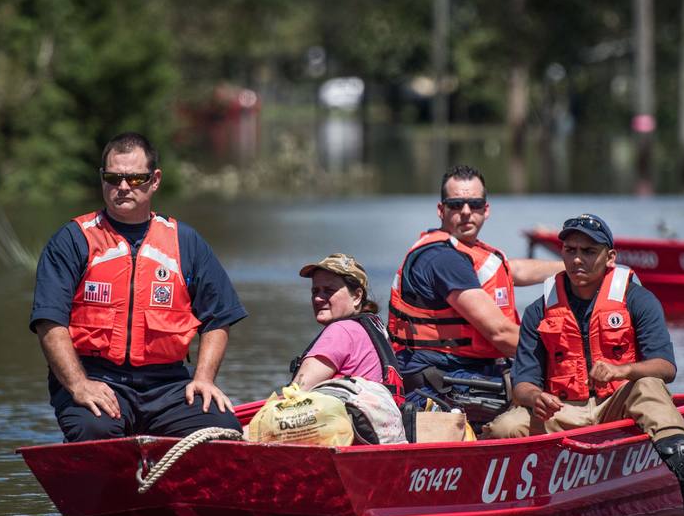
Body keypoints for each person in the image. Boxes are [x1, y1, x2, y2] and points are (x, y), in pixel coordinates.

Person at [485, 214, 684, 516]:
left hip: (616, 404)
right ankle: (509, 505)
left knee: (648, 385)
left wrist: (622, 371)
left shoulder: (637, 299)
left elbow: (666, 368)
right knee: (505, 425)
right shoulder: (540, 310)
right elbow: (522, 384)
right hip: (562, 411)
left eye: (588, 252)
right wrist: (536, 398)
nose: (577, 260)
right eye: (570, 250)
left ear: (610, 257)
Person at [29, 132, 245, 442]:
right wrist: (78, 384)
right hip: (97, 378)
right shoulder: (73, 239)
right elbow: (49, 322)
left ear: (155, 180)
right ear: (102, 179)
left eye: (135, 179)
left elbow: (219, 317)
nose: (122, 187)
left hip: (168, 385)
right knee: (94, 431)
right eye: (113, 178)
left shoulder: (185, 242)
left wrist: (204, 379)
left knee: (223, 430)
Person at [387, 165, 564, 419]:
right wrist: (569, 352)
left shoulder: (459, 250)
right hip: (441, 379)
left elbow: (512, 270)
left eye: (475, 204)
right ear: (441, 210)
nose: (466, 212)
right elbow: (501, 334)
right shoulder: (444, 259)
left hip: (458, 369)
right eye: (456, 204)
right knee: (561, 391)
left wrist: (569, 268)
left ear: (486, 209)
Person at [288, 253, 404, 395]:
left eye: (329, 290)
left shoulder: (341, 331)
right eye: (315, 291)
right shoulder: (372, 327)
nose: (318, 298)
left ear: (356, 296)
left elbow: (295, 394)